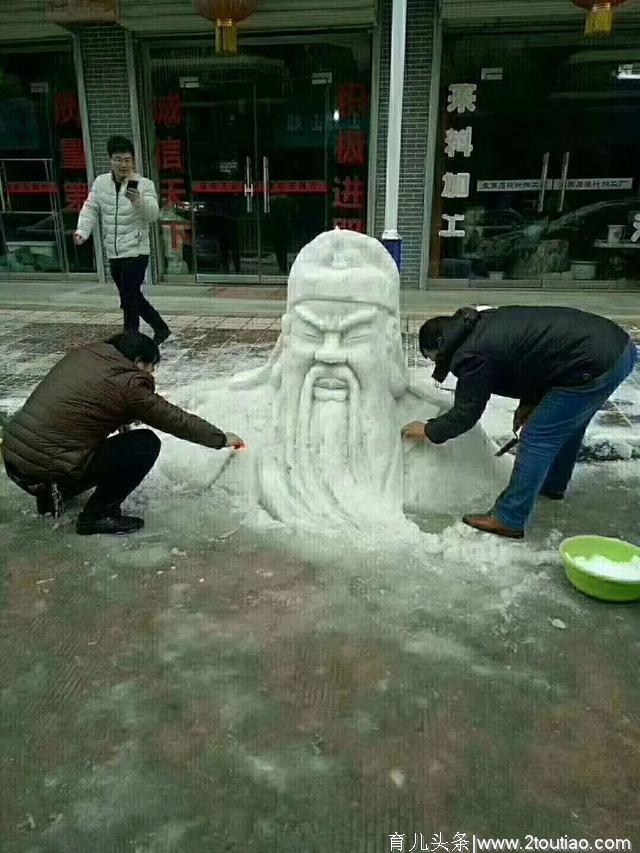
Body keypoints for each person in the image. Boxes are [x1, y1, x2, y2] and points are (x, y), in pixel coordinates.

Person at [158, 229, 506, 532]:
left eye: (354, 337)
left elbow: (493, 477)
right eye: (311, 333)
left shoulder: (454, 443)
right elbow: (179, 458)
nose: (328, 355)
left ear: (387, 346)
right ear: (286, 340)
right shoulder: (231, 414)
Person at [401, 306, 636, 539]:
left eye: (431, 357)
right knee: (566, 425)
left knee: (537, 437)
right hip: (614, 347)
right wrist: (529, 404)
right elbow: (534, 358)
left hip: (592, 361)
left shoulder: (470, 354)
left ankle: (508, 518)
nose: (434, 364)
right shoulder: (480, 326)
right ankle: (552, 485)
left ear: (441, 347)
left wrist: (429, 430)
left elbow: (466, 413)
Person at [1, 332, 243, 536]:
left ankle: (51, 497)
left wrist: (123, 416)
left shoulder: (86, 355)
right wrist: (221, 438)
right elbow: (175, 420)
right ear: (138, 362)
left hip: (16, 462)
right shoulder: (128, 383)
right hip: (46, 467)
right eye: (151, 368)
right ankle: (98, 515)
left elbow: (87, 405)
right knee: (144, 444)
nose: (152, 375)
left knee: (67, 442)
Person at [74, 135, 171, 344]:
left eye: (128, 159)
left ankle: (131, 338)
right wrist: (82, 231)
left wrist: (138, 200)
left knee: (128, 296)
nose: (124, 164)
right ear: (110, 160)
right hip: (114, 250)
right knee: (131, 295)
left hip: (137, 251)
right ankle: (161, 328)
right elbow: (90, 208)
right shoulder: (101, 183)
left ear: (133, 161)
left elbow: (153, 215)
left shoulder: (144, 185)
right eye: (118, 159)